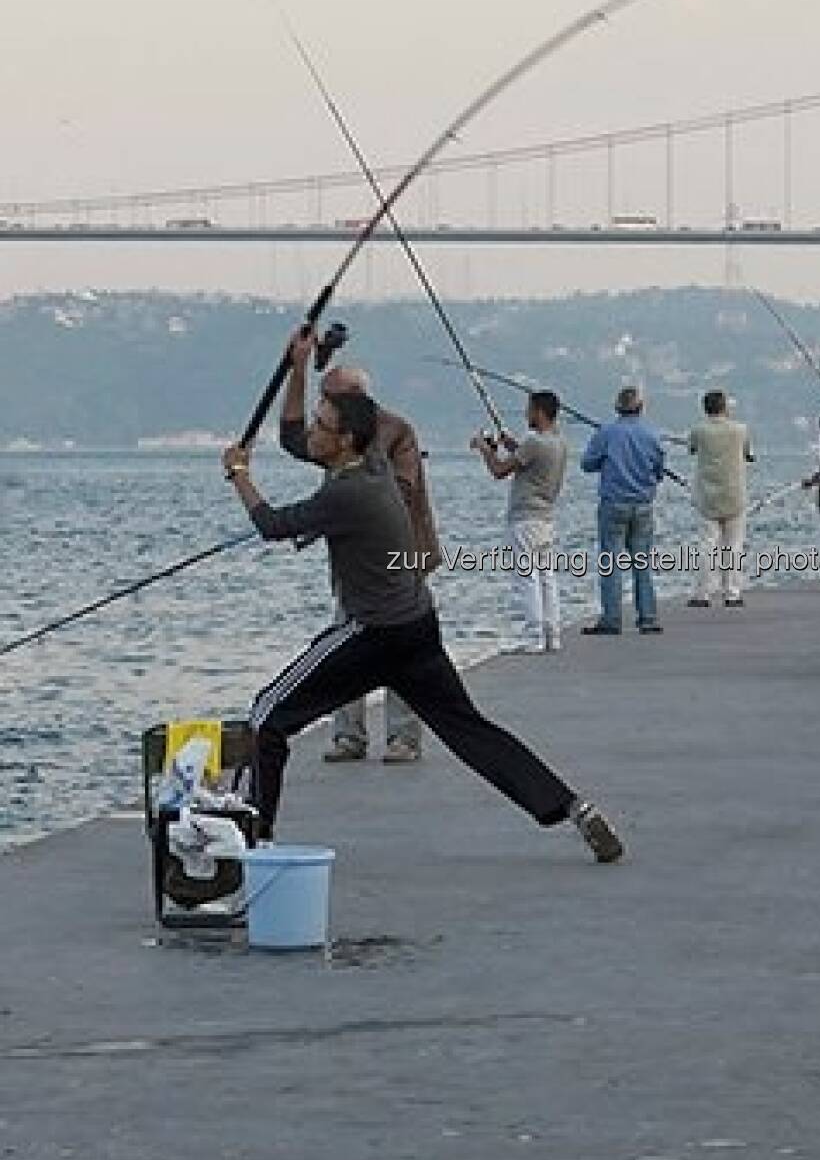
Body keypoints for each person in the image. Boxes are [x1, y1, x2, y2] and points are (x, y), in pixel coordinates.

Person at [222, 341, 622, 861]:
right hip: (417, 625)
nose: (311, 432)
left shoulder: (345, 493)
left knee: (266, 716)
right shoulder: (375, 462)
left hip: (374, 634)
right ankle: (574, 809)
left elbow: (273, 525)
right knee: (471, 731)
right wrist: (300, 368)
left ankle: (254, 842)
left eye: (323, 422)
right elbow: (297, 433)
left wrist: (240, 476)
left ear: (344, 439)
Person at [280, 354, 440, 764]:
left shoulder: (396, 431)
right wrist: (297, 370)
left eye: (325, 399)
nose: (319, 411)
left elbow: (401, 493)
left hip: (398, 558)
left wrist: (340, 513)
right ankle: (349, 735)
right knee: (347, 638)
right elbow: (291, 436)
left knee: (398, 643)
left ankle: (403, 737)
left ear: (349, 402)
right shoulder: (330, 435)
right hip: (356, 561)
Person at [471, 389, 568, 653]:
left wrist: (484, 448)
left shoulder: (535, 443)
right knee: (546, 577)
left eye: (528, 409)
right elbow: (528, 457)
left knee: (525, 578)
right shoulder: (558, 441)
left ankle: (533, 637)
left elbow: (499, 470)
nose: (526, 414)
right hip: (546, 520)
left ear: (538, 411)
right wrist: (509, 444)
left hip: (525, 519)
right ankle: (552, 634)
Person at [580, 385, 665, 635]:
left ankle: (612, 619)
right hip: (643, 506)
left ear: (617, 407)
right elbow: (659, 471)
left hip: (613, 504)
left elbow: (587, 464)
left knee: (611, 563)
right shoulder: (652, 435)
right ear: (641, 407)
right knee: (642, 564)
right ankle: (647, 618)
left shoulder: (606, 433)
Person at [685, 390, 754, 609]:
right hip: (735, 495)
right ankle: (732, 592)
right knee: (733, 546)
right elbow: (748, 453)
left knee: (707, 545)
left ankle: (703, 593)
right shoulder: (740, 430)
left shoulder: (699, 431)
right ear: (724, 407)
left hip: (707, 496)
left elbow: (691, 449)